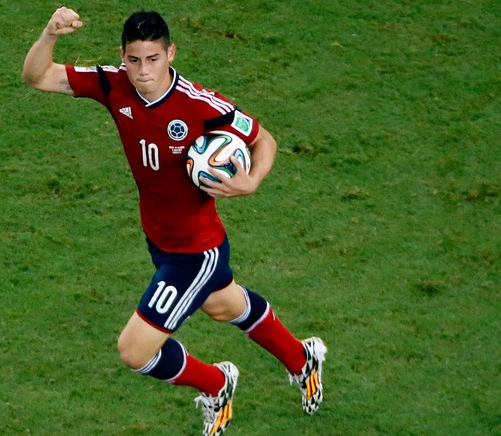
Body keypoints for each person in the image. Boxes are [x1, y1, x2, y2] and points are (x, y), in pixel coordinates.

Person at [22, 7, 326, 436]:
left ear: (170, 54)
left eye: (153, 59)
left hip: (194, 251)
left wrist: (252, 181)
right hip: (160, 239)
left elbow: (263, 139)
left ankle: (217, 383)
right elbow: (38, 76)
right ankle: (302, 357)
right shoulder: (113, 83)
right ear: (122, 56)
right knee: (223, 305)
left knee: (134, 350)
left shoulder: (200, 105)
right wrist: (50, 33)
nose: (143, 71)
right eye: (134, 60)